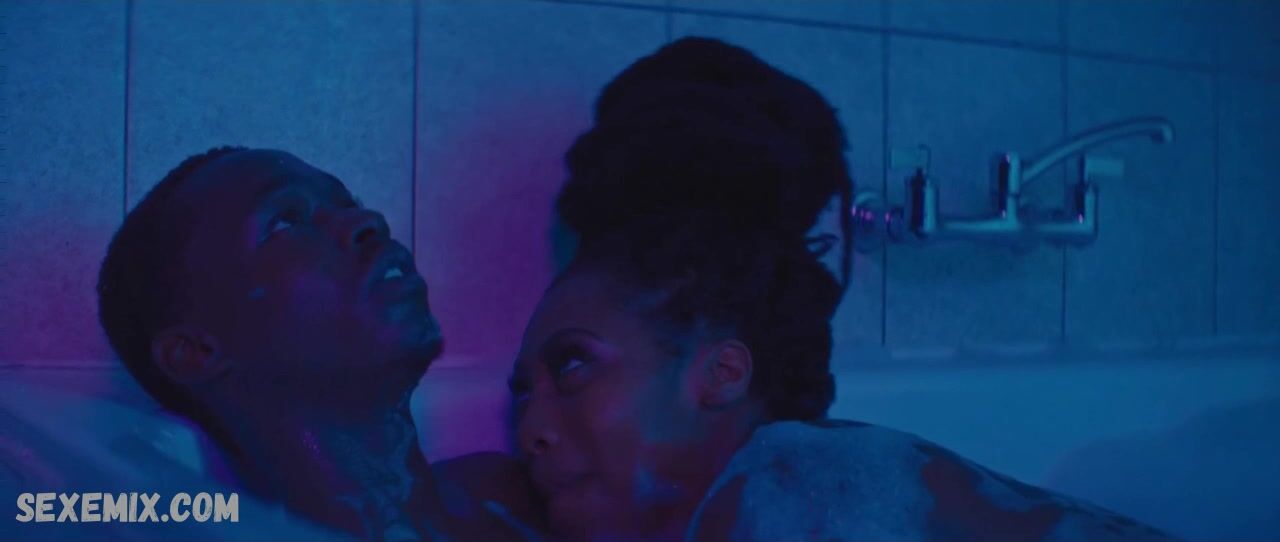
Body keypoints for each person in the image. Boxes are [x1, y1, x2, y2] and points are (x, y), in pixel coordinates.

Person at [510, 217, 1174, 541]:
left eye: (572, 364)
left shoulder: (800, 483)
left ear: (721, 375)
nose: (530, 428)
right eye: (523, 394)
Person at [96, 146, 540, 541]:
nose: (368, 221)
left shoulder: (510, 496)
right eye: (285, 222)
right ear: (195, 353)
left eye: (349, 204)